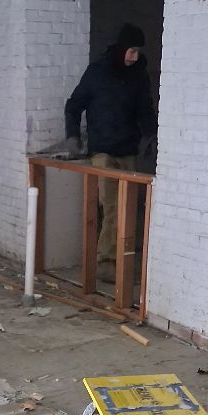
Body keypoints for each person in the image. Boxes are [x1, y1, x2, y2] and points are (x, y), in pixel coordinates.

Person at [64, 23, 157, 282]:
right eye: (131, 51)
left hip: (128, 150)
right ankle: (106, 263)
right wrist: (72, 136)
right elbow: (73, 106)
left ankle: (124, 260)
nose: (134, 56)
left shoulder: (138, 75)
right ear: (120, 48)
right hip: (102, 151)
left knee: (130, 207)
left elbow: (145, 109)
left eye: (138, 51)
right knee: (113, 206)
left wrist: (151, 135)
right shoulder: (97, 73)